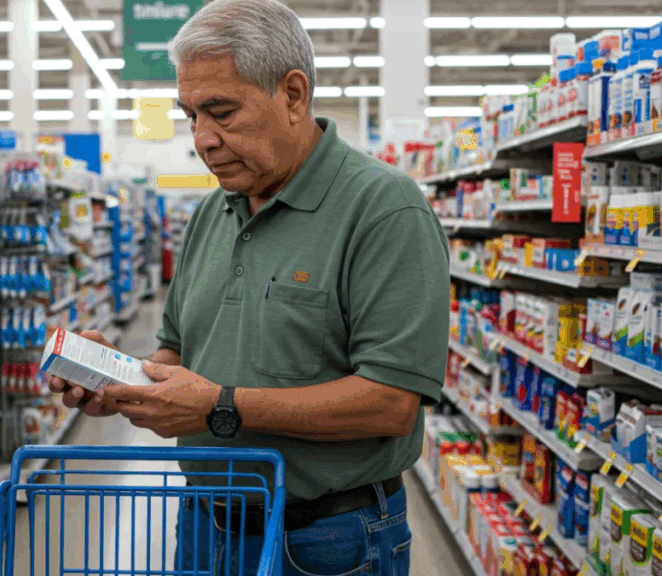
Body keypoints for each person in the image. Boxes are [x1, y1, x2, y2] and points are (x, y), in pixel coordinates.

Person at [48, 0, 449, 574]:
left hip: (325, 539)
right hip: (203, 521)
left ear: (292, 95)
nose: (202, 139)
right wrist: (120, 378)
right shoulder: (212, 214)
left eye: (221, 112)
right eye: (190, 115)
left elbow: (390, 405)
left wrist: (219, 408)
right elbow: (177, 351)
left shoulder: (384, 209)